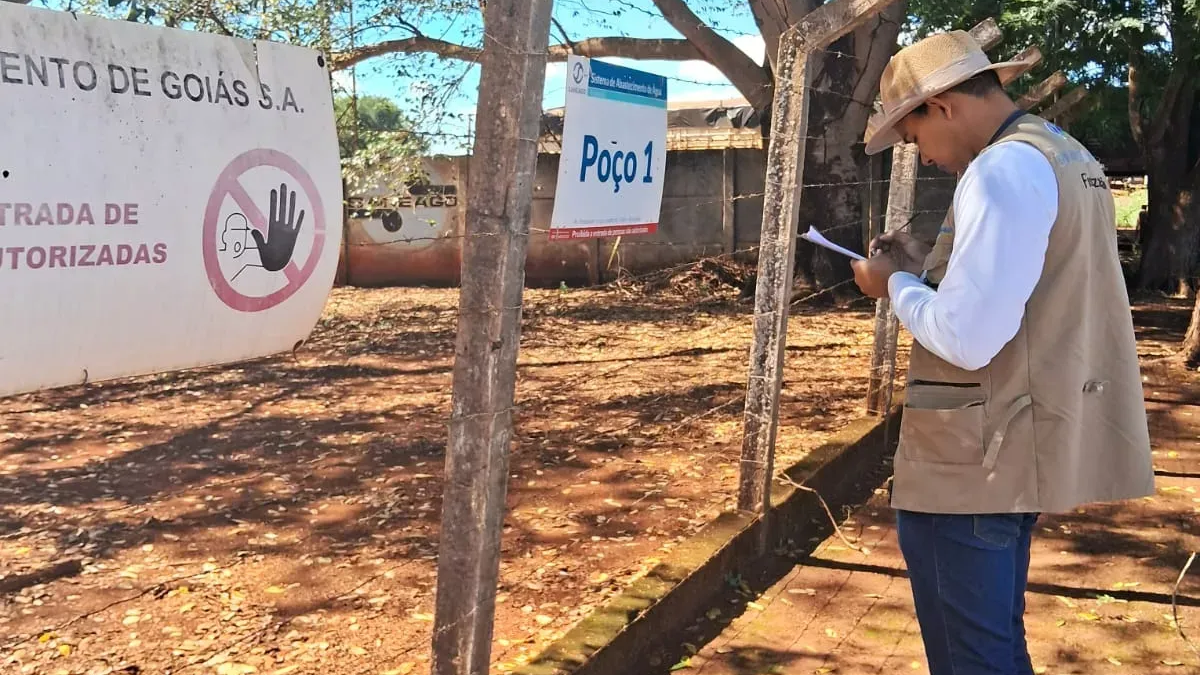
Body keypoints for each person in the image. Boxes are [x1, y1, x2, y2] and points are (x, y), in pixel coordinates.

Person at [850, 30, 1155, 675]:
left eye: (914, 139)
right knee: (993, 646)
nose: (925, 159)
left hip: (972, 462)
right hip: (1015, 448)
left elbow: (968, 337)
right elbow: (1030, 289)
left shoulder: (1001, 168)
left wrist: (892, 285)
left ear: (943, 107)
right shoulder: (1066, 155)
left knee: (974, 660)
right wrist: (923, 266)